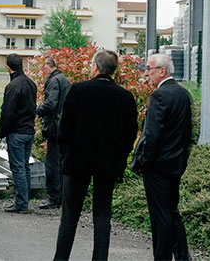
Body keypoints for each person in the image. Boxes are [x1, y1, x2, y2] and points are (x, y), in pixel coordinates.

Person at [53, 50, 139, 261]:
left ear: (96, 67)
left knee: (69, 217)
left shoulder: (78, 90)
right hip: (108, 165)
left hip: (76, 162)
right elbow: (130, 135)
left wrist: (66, 156)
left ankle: (61, 258)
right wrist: (120, 158)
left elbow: (64, 130)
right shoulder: (125, 97)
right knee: (102, 216)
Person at [132, 53, 194, 260]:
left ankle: (162, 257)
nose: (146, 73)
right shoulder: (183, 94)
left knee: (160, 217)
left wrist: (143, 160)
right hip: (175, 164)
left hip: (157, 166)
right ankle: (182, 256)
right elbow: (186, 133)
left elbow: (152, 134)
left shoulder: (159, 96)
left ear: (162, 71)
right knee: (171, 212)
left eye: (149, 69)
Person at [0, 53, 38, 214]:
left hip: (17, 132)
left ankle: (21, 203)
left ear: (8, 67)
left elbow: (7, 112)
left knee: (18, 168)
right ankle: (25, 200)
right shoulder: (31, 83)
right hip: (29, 130)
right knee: (25, 167)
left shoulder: (13, 86)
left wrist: (2, 133)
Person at [36, 56, 71, 210]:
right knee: (62, 163)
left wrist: (37, 110)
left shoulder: (53, 81)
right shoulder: (64, 80)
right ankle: (63, 196)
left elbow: (51, 103)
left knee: (52, 163)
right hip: (64, 126)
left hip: (54, 127)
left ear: (48, 66)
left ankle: (54, 198)